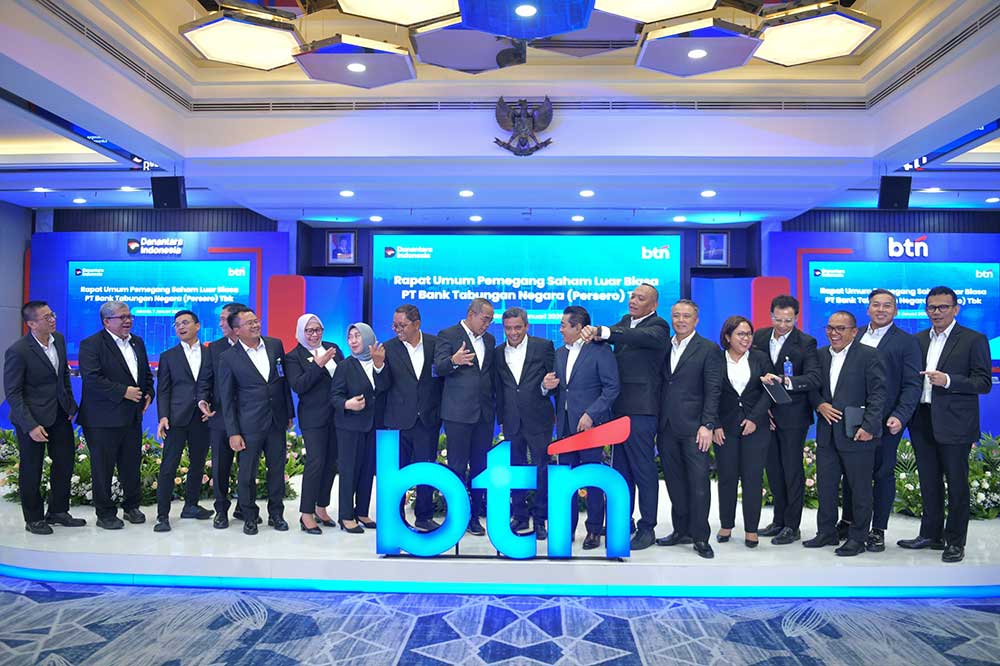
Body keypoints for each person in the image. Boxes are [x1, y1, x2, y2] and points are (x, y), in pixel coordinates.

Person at [898, 286, 992, 563]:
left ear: (955, 309)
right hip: (922, 419)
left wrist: (948, 380)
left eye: (942, 307)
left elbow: (983, 382)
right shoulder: (917, 340)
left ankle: (955, 542)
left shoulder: (974, 339)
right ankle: (931, 535)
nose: (936, 312)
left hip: (956, 422)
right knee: (928, 481)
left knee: (957, 484)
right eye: (931, 307)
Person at [580, 283, 669, 550]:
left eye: (640, 298)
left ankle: (647, 527)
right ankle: (622, 520)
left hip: (642, 410)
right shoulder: (624, 322)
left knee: (643, 470)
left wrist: (603, 332)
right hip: (619, 410)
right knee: (621, 470)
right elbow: (616, 333)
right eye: (632, 296)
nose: (633, 301)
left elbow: (633, 336)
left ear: (653, 305)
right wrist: (594, 334)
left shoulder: (658, 326)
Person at [841, 289, 922, 551]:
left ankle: (877, 529)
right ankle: (850, 521)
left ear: (895, 311)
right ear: (868, 309)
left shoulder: (906, 342)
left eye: (887, 305)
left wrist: (900, 415)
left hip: (887, 420)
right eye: (876, 305)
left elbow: (912, 384)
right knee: (852, 472)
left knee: (883, 473)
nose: (881, 310)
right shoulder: (855, 335)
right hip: (854, 418)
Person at [804, 311, 886, 556]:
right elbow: (811, 387)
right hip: (827, 433)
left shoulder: (869, 355)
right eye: (830, 328)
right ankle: (826, 532)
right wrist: (819, 404)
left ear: (854, 331)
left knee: (860, 489)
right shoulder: (819, 355)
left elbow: (878, 395)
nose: (834, 333)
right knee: (826, 486)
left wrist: (869, 427)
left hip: (857, 433)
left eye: (840, 328)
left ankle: (857, 538)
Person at [542, 306, 619, 549]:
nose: (560, 330)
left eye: (564, 325)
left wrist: (591, 414)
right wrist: (546, 386)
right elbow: (560, 389)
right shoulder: (559, 353)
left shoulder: (600, 351)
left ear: (578, 327)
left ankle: (594, 530)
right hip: (566, 428)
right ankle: (567, 528)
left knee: (592, 478)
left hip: (590, 428)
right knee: (567, 480)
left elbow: (612, 388)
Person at [3, 301, 82, 534]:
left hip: (59, 415)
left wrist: (70, 404)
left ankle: (58, 511)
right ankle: (34, 519)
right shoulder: (18, 351)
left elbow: (63, 376)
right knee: (32, 469)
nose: (52, 319)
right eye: (46, 317)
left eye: (52, 314)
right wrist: (30, 425)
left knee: (64, 463)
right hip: (32, 419)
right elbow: (13, 393)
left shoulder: (58, 340)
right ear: (31, 324)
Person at [76, 301, 154, 530]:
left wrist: (149, 393)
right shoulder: (91, 344)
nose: (128, 320)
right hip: (102, 419)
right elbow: (92, 378)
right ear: (106, 321)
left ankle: (132, 507)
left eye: (129, 316)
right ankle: (105, 513)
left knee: (131, 465)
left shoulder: (137, 342)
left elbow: (145, 375)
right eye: (122, 317)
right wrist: (123, 392)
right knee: (103, 468)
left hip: (131, 417)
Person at [217, 308, 294, 535]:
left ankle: (276, 514)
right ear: (236, 330)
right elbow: (227, 399)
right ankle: (249, 516)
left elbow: (283, 382)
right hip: (248, 425)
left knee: (277, 470)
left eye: (256, 320)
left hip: (276, 420)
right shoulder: (228, 358)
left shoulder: (275, 345)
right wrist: (233, 432)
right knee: (247, 474)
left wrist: (289, 413)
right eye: (249, 323)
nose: (255, 325)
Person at [655, 299, 722, 559]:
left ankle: (700, 537)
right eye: (676, 315)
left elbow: (713, 390)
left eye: (686, 316)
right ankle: (680, 530)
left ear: (696, 320)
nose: (680, 320)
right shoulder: (664, 346)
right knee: (674, 482)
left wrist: (708, 424)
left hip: (695, 428)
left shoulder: (708, 349)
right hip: (666, 426)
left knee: (698, 484)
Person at [753, 294, 820, 545]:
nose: (782, 325)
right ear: (771, 315)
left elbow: (814, 377)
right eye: (778, 319)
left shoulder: (806, 342)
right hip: (766, 415)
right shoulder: (759, 337)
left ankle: (792, 526)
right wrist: (761, 410)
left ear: (797, 318)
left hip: (793, 416)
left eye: (788, 321)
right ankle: (778, 520)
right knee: (773, 470)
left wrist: (786, 381)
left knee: (791, 470)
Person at [434, 298, 496, 536]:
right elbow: (438, 367)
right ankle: (457, 516)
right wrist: (453, 361)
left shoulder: (489, 340)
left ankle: (474, 516)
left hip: (483, 414)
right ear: (471, 314)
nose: (487, 324)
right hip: (458, 414)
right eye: (485, 319)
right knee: (457, 466)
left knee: (480, 467)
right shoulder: (448, 335)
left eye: (490, 320)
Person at [494, 307, 556, 539]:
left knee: (541, 468)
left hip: (539, 419)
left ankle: (540, 520)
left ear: (527, 326)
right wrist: (502, 419)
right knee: (515, 468)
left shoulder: (543, 347)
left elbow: (555, 382)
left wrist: (545, 387)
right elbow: (499, 389)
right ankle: (519, 515)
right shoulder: (497, 352)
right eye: (508, 328)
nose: (513, 333)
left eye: (518, 328)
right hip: (511, 420)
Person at [382, 304, 443, 532]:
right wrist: (378, 367)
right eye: (395, 325)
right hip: (399, 420)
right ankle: (396, 519)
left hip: (427, 419)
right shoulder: (388, 348)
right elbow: (382, 386)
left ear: (417, 324)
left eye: (402, 325)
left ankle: (424, 517)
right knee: (398, 473)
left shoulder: (435, 344)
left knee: (426, 470)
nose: (397, 329)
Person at [713, 316, 771, 549]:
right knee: (726, 477)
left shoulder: (760, 358)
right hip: (724, 428)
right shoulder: (716, 359)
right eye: (740, 334)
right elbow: (709, 393)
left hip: (756, 427)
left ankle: (751, 530)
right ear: (728, 337)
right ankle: (726, 525)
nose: (746, 338)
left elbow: (769, 391)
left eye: (749, 334)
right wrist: (714, 424)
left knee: (752, 478)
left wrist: (755, 418)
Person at [153, 310, 213, 532]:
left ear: (197, 326)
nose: (180, 327)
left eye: (185, 322)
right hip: (176, 419)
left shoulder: (210, 353)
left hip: (202, 418)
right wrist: (163, 416)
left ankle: (191, 506)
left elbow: (215, 385)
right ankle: (162, 515)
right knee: (169, 467)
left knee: (197, 464)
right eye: (177, 324)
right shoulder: (168, 356)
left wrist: (211, 406)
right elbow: (163, 390)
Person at [285, 313, 343, 535]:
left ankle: (321, 507)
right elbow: (299, 386)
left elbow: (345, 375)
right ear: (301, 332)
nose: (314, 334)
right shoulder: (294, 357)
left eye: (318, 329)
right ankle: (306, 513)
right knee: (315, 462)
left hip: (337, 415)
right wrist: (318, 365)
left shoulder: (332, 348)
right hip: (313, 417)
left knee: (331, 463)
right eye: (309, 330)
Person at [196, 302, 251, 529]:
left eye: (224, 319)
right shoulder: (214, 348)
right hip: (220, 416)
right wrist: (203, 399)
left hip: (249, 416)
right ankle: (221, 510)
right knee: (221, 466)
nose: (220, 323)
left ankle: (244, 507)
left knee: (248, 466)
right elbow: (205, 379)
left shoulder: (256, 346)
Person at [329, 323, 386, 533]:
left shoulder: (380, 362)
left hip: (374, 425)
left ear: (368, 338)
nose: (353, 341)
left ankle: (362, 512)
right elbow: (334, 396)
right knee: (349, 470)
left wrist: (379, 367)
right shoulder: (345, 366)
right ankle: (345, 516)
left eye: (357, 336)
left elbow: (386, 387)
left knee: (367, 469)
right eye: (350, 337)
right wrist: (347, 404)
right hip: (349, 426)